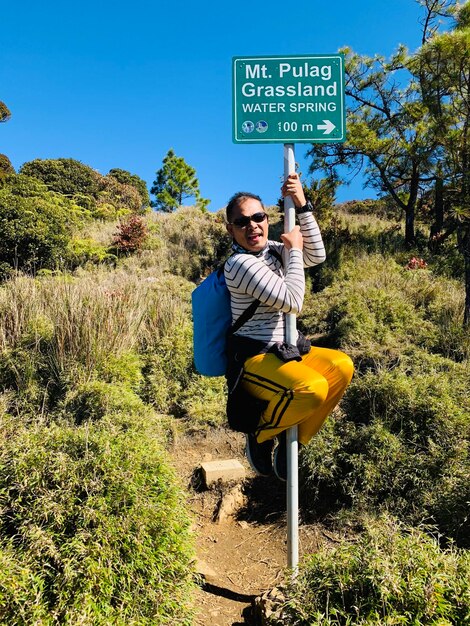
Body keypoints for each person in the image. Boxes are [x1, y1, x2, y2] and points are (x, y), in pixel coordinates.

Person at [224, 172, 354, 481]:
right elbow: (293, 301)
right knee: (311, 388)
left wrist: (302, 203)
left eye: (258, 217)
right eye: (242, 222)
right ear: (231, 230)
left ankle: (291, 443)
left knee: (342, 366)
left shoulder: (271, 249)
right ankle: (259, 435)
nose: (252, 225)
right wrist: (293, 250)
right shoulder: (240, 265)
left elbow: (316, 255)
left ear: (267, 219)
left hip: (285, 348)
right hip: (255, 357)